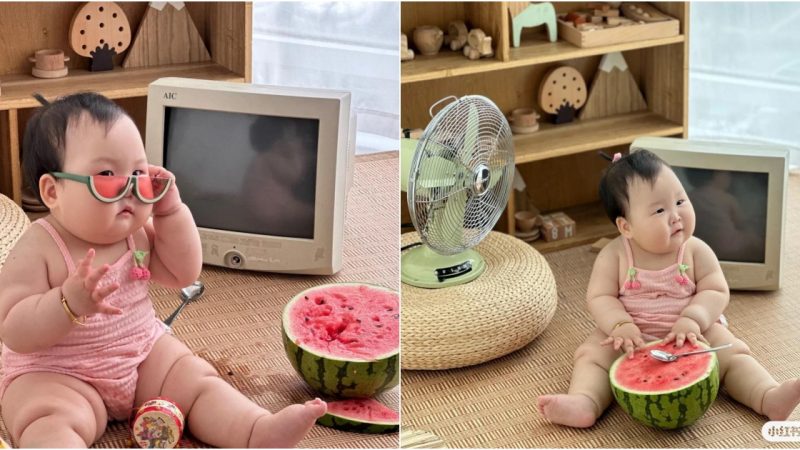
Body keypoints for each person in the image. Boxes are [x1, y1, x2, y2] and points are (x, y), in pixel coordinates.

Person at [0, 93, 326, 447]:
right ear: (53, 191)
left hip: (141, 356)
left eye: (138, 173)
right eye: (107, 175)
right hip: (59, 374)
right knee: (47, 418)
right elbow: (13, 327)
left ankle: (255, 430)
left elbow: (182, 272)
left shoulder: (135, 233)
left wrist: (171, 212)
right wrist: (67, 302)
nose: (129, 188)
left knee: (196, 379)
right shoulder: (40, 246)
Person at [537, 150, 800, 428]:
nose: (676, 216)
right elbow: (600, 297)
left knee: (733, 354)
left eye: (680, 201)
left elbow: (716, 290)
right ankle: (585, 401)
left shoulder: (696, 250)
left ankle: (767, 396)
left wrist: (694, 318)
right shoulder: (614, 256)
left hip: (694, 331)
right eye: (660, 210)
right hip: (631, 335)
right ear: (626, 227)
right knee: (591, 357)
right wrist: (619, 325)